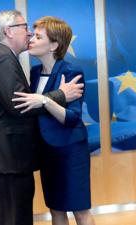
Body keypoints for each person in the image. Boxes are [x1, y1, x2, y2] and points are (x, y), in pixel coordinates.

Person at [0, 11, 84, 225]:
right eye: (24, 27)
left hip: (7, 157)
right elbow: (20, 106)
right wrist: (60, 95)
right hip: (6, 157)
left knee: (10, 217)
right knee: (14, 218)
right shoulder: (2, 59)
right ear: (8, 31)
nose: (29, 33)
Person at [12, 16, 95, 225]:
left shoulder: (71, 72)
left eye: (38, 37)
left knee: (80, 210)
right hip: (46, 152)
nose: (31, 39)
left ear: (54, 45)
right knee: (56, 209)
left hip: (70, 152)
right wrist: (52, 98)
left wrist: (44, 101)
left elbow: (72, 118)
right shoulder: (35, 72)